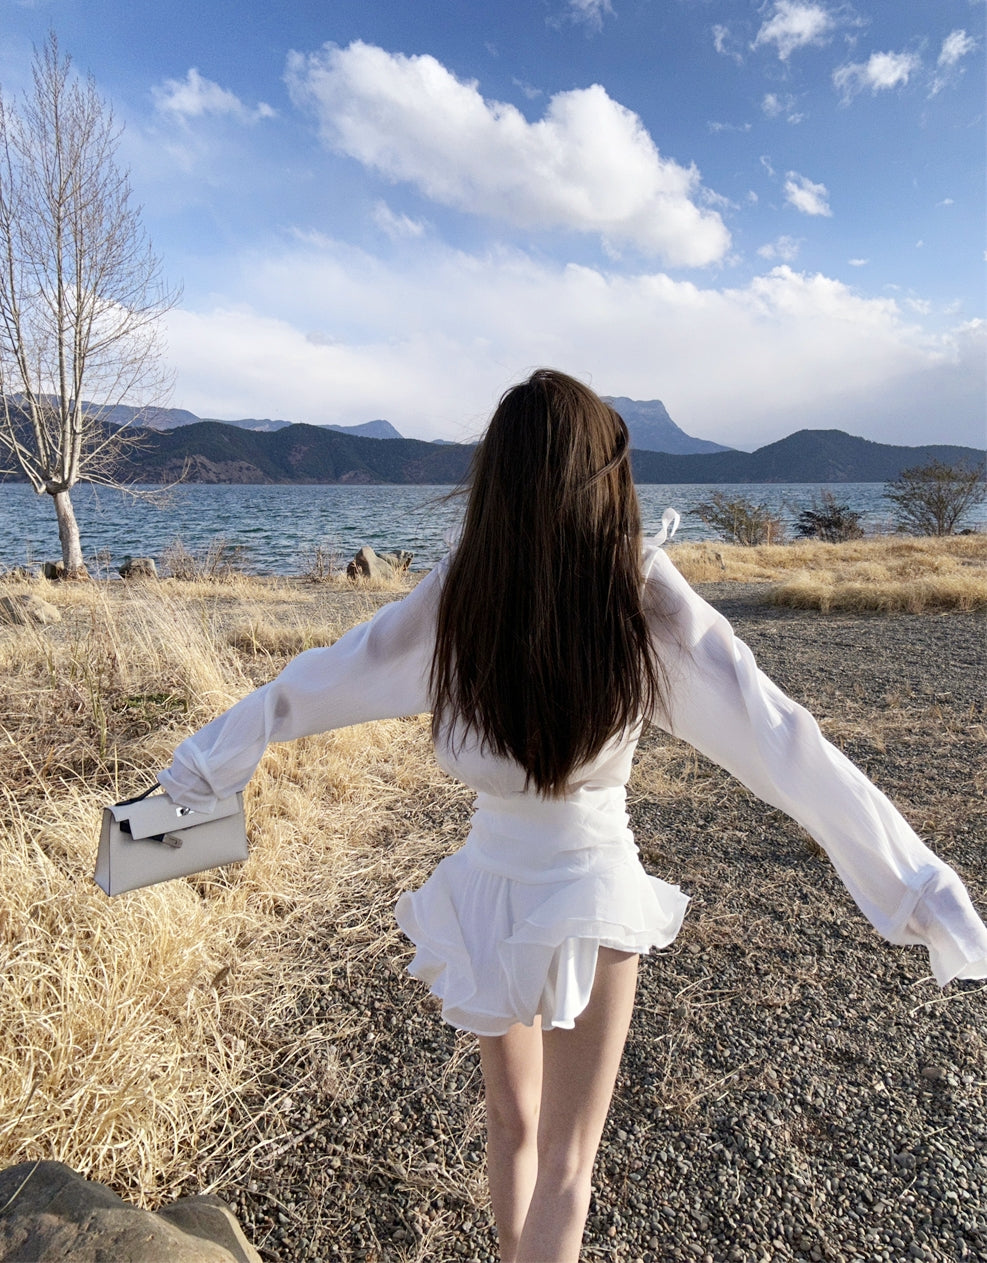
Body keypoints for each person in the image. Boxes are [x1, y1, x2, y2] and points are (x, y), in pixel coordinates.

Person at [158, 369, 987, 1263]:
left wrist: (199, 775)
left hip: (484, 891)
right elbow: (778, 733)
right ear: (607, 475)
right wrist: (920, 886)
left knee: (512, 1134)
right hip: (592, 893)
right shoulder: (635, 589)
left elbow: (317, 678)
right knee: (565, 1168)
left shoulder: (462, 590)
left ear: (497, 479)